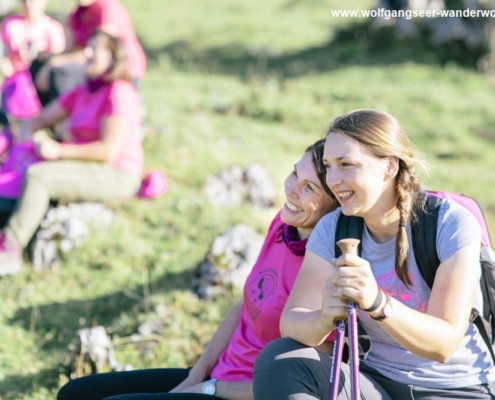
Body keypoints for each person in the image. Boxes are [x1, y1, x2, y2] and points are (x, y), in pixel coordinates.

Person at [56, 138, 338, 400]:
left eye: (309, 187)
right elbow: (245, 305)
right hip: (215, 379)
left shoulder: (328, 271)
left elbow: (299, 382)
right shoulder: (283, 225)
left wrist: (210, 389)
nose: (291, 189)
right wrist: (197, 373)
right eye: (294, 175)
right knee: (75, 394)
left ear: (333, 205)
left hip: (240, 393)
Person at [252, 109, 495, 399]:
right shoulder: (334, 227)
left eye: (346, 164)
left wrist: (378, 302)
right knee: (279, 359)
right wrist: (324, 316)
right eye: (329, 166)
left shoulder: (449, 224)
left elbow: (443, 345)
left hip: (455, 388)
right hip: (373, 384)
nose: (333, 179)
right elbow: (290, 322)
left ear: (389, 167)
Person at [0, 29, 144, 276]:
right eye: (87, 47)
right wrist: (24, 133)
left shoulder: (119, 92)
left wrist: (57, 152)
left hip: (117, 174)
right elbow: (42, 119)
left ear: (112, 57)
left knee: (38, 176)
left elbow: (107, 151)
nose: (86, 52)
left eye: (94, 48)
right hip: (85, 165)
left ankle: (11, 248)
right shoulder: (84, 90)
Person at [34, 0, 146, 105]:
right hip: (90, 63)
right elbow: (68, 50)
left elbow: (101, 56)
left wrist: (55, 62)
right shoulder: (79, 12)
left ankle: (66, 120)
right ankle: (47, 117)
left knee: (59, 72)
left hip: (116, 70)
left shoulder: (107, 8)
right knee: (38, 65)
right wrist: (46, 56)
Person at [0, 0, 65, 121]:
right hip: (16, 80)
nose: (29, 5)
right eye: (25, 1)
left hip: (41, 78)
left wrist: (40, 54)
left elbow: (58, 58)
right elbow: (5, 59)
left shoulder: (53, 28)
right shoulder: (10, 24)